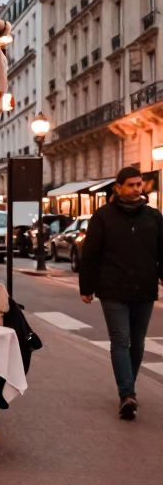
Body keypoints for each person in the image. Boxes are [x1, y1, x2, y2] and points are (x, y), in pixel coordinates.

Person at [79, 165, 163, 419]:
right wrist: (87, 286)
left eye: (139, 185)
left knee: (137, 344)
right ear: (118, 188)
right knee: (120, 340)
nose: (137, 189)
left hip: (145, 290)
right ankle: (127, 393)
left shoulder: (154, 217)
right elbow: (90, 254)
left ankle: (129, 388)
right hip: (113, 289)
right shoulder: (103, 216)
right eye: (131, 185)